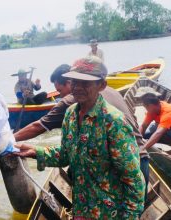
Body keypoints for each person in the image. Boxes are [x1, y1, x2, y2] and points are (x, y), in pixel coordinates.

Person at [14, 57, 145, 219]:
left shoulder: (114, 121)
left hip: (109, 212)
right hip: (81, 207)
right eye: (74, 82)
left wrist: (131, 217)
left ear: (101, 85)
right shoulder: (70, 114)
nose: (78, 88)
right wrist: (36, 151)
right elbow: (66, 155)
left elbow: (133, 179)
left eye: (85, 83)